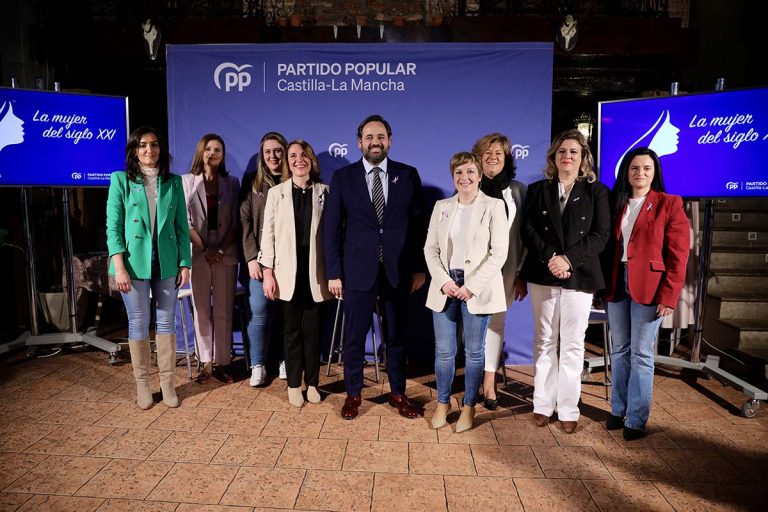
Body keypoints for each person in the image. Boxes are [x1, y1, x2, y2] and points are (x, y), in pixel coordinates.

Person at [324, 114, 427, 421]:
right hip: (357, 271)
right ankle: (353, 394)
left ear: (390, 141)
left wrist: (419, 268)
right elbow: (332, 229)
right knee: (354, 338)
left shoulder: (408, 175)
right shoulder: (343, 178)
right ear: (359, 142)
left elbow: (419, 227)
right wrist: (333, 272)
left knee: (396, 337)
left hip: (397, 271)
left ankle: (398, 392)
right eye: (369, 137)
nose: (375, 142)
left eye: (380, 136)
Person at [519, 129, 610, 433]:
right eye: (561, 151)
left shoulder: (597, 192)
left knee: (572, 345)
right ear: (553, 157)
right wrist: (552, 259)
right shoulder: (537, 190)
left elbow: (601, 235)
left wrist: (568, 260)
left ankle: (569, 408)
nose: (567, 156)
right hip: (544, 273)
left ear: (583, 157)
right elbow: (528, 231)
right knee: (544, 341)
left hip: (580, 275)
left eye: (573, 151)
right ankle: (543, 405)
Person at [602, 147, 690, 440]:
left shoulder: (669, 203)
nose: (640, 173)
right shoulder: (616, 203)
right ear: (626, 172)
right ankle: (618, 409)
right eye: (634, 168)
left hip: (650, 287)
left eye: (646, 169)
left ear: (655, 173)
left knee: (641, 354)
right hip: (617, 283)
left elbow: (678, 256)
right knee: (620, 350)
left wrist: (669, 296)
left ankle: (636, 419)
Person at [106, 126, 191, 409]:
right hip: (132, 263)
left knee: (167, 322)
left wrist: (185, 262)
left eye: (154, 145)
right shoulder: (121, 180)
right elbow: (113, 228)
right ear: (134, 150)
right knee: (139, 322)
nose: (149, 150)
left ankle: (167, 383)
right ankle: (143, 384)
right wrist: (118, 266)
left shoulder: (174, 182)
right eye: (143, 145)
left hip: (166, 262)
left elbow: (181, 227)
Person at [424, 152, 508, 432]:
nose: (465, 178)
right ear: (453, 177)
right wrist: (444, 281)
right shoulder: (442, 206)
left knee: (474, 353)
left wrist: (471, 286)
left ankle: (470, 405)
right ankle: (443, 402)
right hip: (445, 285)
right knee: (445, 352)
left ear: (480, 175)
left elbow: (499, 253)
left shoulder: (494, 206)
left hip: (477, 288)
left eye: (470, 171)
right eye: (459, 172)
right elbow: (430, 249)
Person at [259, 140, 332, 407]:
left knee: (312, 332)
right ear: (288, 163)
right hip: (285, 275)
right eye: (293, 156)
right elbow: (267, 236)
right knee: (290, 332)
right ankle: (293, 384)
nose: (298, 159)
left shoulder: (326, 191)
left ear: (311, 160)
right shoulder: (276, 193)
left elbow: (333, 236)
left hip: (316, 274)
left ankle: (312, 383)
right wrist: (267, 272)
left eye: (303, 155)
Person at [472, 133, 528, 410]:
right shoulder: (468, 187)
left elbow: (526, 237)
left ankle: (490, 384)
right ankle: (472, 382)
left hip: (506, 272)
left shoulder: (517, 191)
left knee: (495, 326)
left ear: (507, 159)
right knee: (471, 329)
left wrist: (521, 274)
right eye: (488, 153)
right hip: (472, 274)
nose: (493, 157)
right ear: (478, 157)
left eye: (499, 153)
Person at [181, 134, 240, 384]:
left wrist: (220, 250)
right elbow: (185, 221)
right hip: (198, 252)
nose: (213, 153)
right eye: (208, 149)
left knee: (225, 310)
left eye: (218, 149)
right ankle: (205, 364)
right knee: (202, 310)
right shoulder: (187, 181)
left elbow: (238, 220)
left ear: (223, 155)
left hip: (225, 254)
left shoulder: (232, 183)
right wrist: (206, 248)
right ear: (200, 152)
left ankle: (223, 363)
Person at [240, 132, 289, 387]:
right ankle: (257, 364)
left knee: (286, 315)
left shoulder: (296, 182)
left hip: (288, 263)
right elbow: (244, 221)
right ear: (262, 155)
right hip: (259, 261)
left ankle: (285, 360)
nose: (273, 156)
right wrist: (250, 258)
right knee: (259, 314)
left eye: (278, 150)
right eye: (268, 152)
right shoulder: (252, 183)